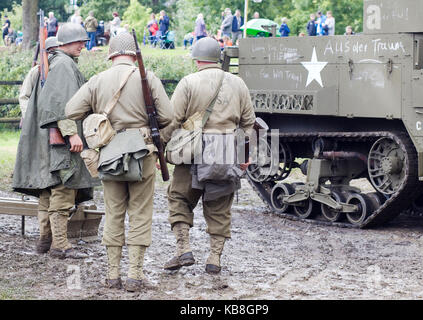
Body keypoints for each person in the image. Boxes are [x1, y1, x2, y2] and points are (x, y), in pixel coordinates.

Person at [65, 32, 173, 292]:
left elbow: (71, 110)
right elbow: (168, 116)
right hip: (142, 153)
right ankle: (135, 276)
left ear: (111, 53)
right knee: (140, 213)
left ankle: (112, 276)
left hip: (109, 155)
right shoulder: (148, 78)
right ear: (134, 54)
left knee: (114, 213)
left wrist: (99, 118)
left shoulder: (98, 80)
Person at [163, 37, 256, 274]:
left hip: (191, 150)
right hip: (226, 152)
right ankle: (214, 259)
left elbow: (172, 120)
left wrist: (163, 148)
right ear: (219, 58)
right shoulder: (238, 83)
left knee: (179, 198)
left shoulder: (188, 82)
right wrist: (244, 154)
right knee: (220, 205)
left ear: (197, 59)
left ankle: (183, 249)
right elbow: (249, 124)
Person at [12, 23, 98, 260]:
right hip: (62, 139)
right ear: (65, 43)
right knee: (63, 187)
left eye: (84, 41)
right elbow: (60, 104)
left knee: (49, 190)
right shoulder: (63, 65)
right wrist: (71, 133)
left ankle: (46, 240)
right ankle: (60, 244)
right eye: (78, 41)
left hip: (52, 139)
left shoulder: (56, 64)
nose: (83, 45)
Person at [18, 37, 59, 122]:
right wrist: (28, 118)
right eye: (50, 52)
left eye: (56, 52)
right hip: (37, 118)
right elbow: (24, 96)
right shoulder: (36, 71)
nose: (52, 55)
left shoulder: (63, 70)